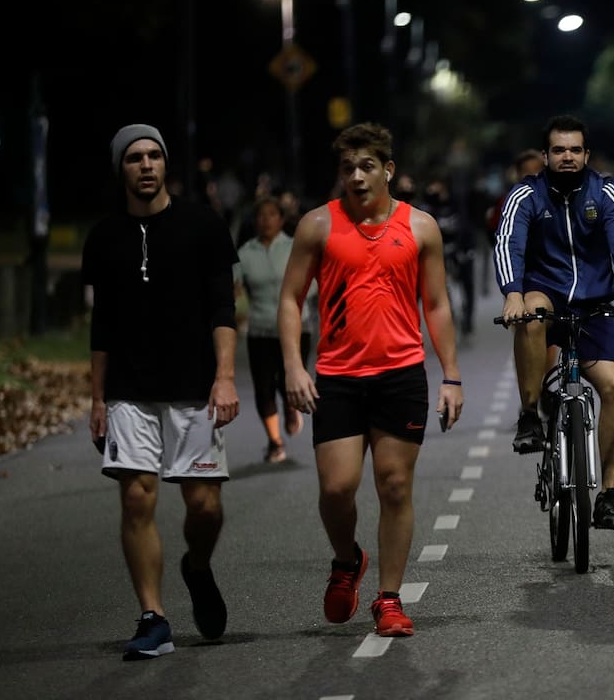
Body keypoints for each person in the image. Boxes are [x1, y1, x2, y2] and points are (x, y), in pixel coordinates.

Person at [277, 122, 464, 638]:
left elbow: (437, 303)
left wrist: (451, 375)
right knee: (337, 488)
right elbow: (291, 299)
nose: (356, 177)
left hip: (401, 374)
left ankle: (388, 598)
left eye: (366, 167)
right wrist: (294, 366)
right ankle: (346, 560)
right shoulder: (318, 225)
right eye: (346, 168)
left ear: (388, 170)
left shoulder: (421, 227)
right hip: (336, 376)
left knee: (395, 485)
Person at [82, 124, 240, 660]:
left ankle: (196, 566)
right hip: (129, 389)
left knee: (204, 507)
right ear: (120, 169)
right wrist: (98, 398)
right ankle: (154, 617)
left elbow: (223, 307)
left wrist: (225, 376)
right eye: (133, 158)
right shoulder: (103, 237)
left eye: (153, 155)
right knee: (136, 497)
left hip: (194, 387)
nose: (146, 165)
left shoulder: (203, 226)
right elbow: (101, 325)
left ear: (165, 164)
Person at [493, 114, 614, 531]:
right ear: (545, 155)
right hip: (547, 294)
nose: (567, 157)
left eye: (574, 150)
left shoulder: (607, 192)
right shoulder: (526, 194)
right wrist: (511, 292)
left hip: (595, 307)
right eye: (558, 150)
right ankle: (529, 415)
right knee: (532, 311)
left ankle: (610, 495)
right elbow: (508, 242)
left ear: (586, 155)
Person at [235, 196, 315, 463]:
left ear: (281, 219)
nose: (266, 220)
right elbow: (233, 290)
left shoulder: (294, 248)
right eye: (261, 215)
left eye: (271, 214)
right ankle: (275, 441)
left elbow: (313, 283)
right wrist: (234, 312)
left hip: (296, 329)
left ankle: (291, 408)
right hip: (260, 329)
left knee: (287, 381)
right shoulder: (246, 253)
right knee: (263, 388)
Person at [421, 173, 477, 339]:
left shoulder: (457, 201)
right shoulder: (429, 203)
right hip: (441, 251)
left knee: (467, 284)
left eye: (436, 185)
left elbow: (466, 224)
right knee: (442, 287)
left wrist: (465, 249)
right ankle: (450, 317)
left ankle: (467, 319)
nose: (433, 189)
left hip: (462, 248)